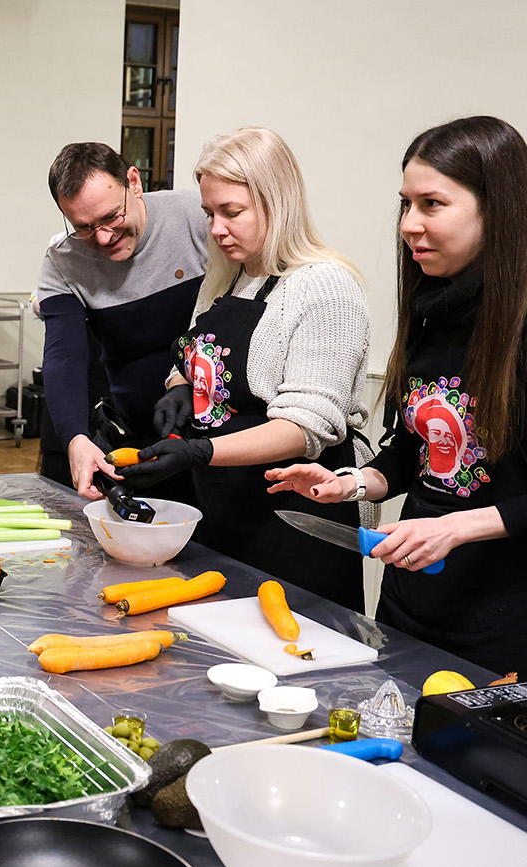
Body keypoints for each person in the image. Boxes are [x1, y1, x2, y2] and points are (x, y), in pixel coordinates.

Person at [267, 116, 527, 675]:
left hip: (505, 621)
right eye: (406, 204)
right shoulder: (433, 308)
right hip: (410, 604)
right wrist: (352, 483)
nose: (409, 225)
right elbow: (415, 453)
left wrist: (455, 528)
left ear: (496, 208)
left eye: (432, 204)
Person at [121, 127, 372, 611]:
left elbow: (307, 426)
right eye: (209, 213)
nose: (217, 229)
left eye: (231, 212)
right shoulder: (228, 276)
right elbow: (197, 354)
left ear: (277, 202)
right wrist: (179, 386)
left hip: (293, 517)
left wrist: (198, 451)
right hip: (222, 504)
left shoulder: (325, 287)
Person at [37, 143, 207, 500]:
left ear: (134, 182)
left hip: (216, 434)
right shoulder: (63, 261)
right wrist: (75, 438)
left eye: (112, 217)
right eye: (83, 227)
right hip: (136, 434)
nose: (103, 237)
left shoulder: (198, 218)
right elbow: (64, 355)